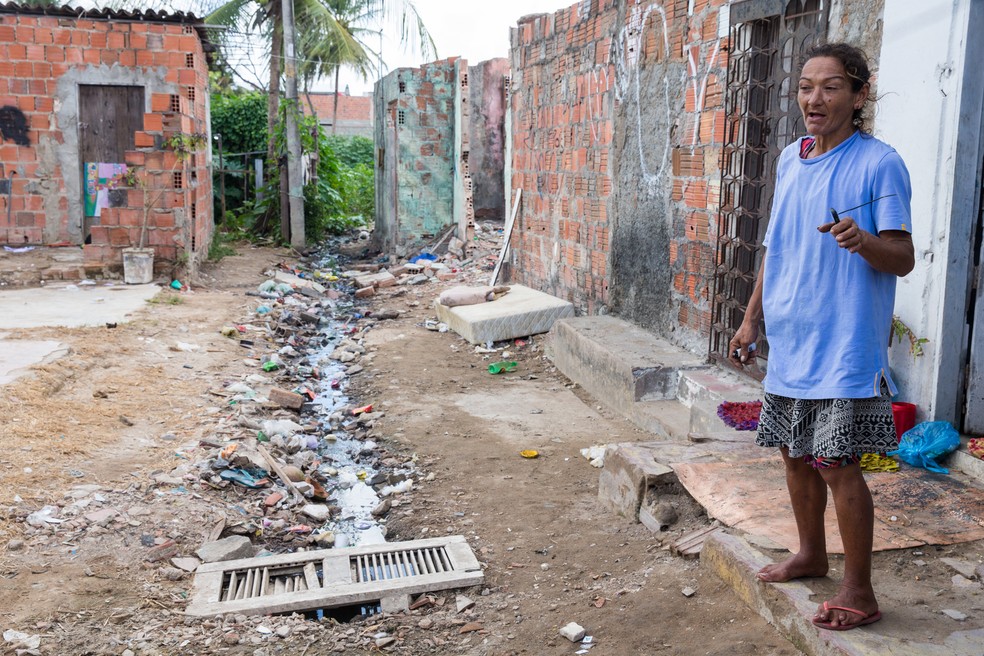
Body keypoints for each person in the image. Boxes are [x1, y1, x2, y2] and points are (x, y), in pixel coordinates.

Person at [728, 42, 914, 631]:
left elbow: (904, 258)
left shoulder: (880, 163)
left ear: (859, 96)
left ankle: (860, 590)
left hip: (844, 342)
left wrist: (863, 242)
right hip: (792, 334)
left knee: (836, 461)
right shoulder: (792, 157)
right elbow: (775, 248)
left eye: (831, 87)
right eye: (806, 85)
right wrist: (752, 317)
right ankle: (810, 553)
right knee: (795, 454)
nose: (813, 98)